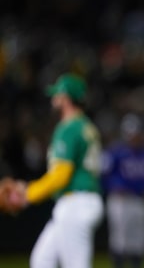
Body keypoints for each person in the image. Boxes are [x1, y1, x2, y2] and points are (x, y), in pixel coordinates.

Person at [2, 73, 104, 268]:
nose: (53, 98)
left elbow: (60, 176)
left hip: (75, 203)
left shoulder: (68, 128)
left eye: (57, 94)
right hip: (80, 200)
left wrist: (28, 194)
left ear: (66, 99)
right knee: (42, 260)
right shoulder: (86, 126)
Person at [101, 113, 144, 268]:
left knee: (139, 242)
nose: (134, 136)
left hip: (141, 200)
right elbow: (103, 175)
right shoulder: (115, 152)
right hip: (121, 200)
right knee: (119, 242)